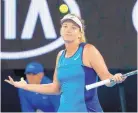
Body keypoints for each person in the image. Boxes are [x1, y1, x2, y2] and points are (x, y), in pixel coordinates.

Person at [5, 13, 127, 112]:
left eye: (73, 28)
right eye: (65, 26)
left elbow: (107, 80)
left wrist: (114, 79)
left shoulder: (88, 50)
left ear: (80, 34)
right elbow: (55, 88)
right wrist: (24, 86)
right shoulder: (60, 56)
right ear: (61, 31)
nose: (68, 30)